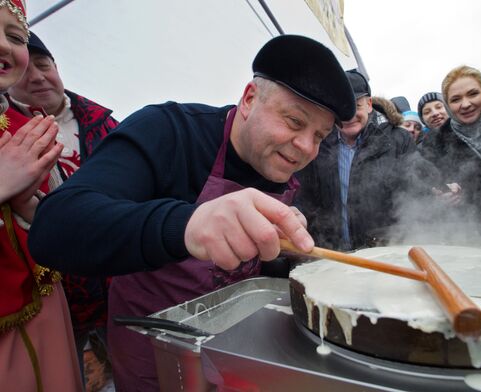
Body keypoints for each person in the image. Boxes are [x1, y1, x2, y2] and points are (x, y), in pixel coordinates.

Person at [28, 34, 356, 391]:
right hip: (152, 351)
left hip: (238, 350)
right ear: (249, 99)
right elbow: (56, 227)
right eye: (294, 121)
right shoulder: (169, 130)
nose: (306, 147)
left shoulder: (296, 164)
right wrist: (187, 224)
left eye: (319, 136)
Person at [7, 31, 117, 388]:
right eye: (27, 71)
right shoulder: (11, 138)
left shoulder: (107, 123)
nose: (38, 76)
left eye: (45, 65)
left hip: (119, 280)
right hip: (56, 294)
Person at [0, 1, 83, 390]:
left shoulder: (27, 126)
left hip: (46, 300)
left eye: (14, 36)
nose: (3, 45)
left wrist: (28, 204)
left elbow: (55, 220)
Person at [295, 69, 437, 251]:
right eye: (340, 108)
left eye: (356, 106)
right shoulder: (317, 145)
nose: (348, 115)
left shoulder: (396, 140)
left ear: (369, 104)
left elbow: (414, 192)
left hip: (383, 252)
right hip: (331, 254)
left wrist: (434, 191)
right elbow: (304, 197)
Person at [419, 65, 481, 241]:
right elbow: (423, 186)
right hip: (466, 236)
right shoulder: (434, 142)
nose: (465, 104)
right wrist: (440, 195)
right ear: (448, 105)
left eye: (473, 94)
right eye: (456, 99)